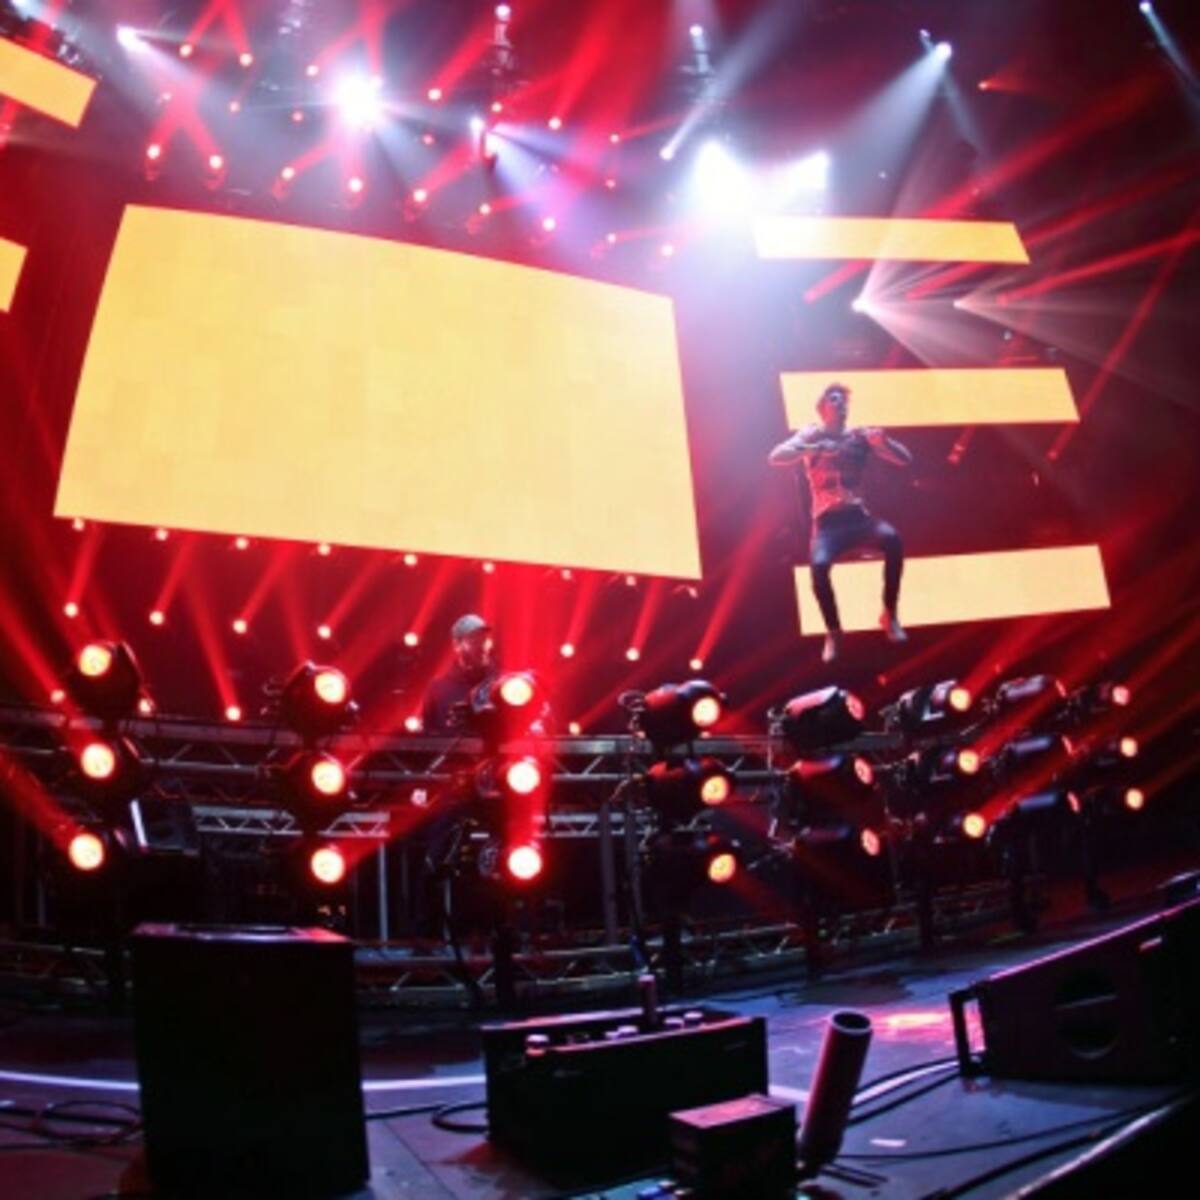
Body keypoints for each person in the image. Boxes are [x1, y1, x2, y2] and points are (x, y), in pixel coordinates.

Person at [769, 382, 912, 663]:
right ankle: (834, 631)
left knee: (893, 540)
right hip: (828, 524)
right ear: (822, 408)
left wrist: (883, 442)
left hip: (857, 518)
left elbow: (904, 459)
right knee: (819, 568)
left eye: (844, 400)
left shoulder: (859, 436)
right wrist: (813, 448)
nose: (841, 404)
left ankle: (889, 614)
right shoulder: (812, 433)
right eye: (834, 399)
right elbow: (775, 457)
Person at [420, 613, 498, 733]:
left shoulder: (502, 684)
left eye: (485, 638)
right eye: (474, 639)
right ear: (456, 645)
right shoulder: (437, 688)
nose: (482, 645)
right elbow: (427, 735)